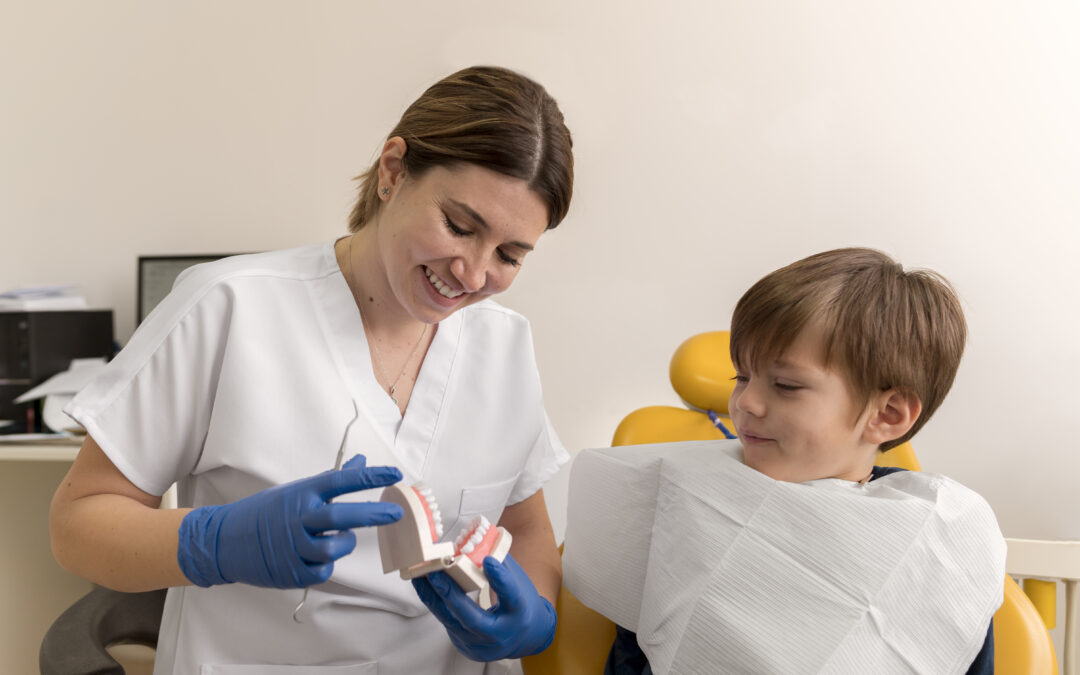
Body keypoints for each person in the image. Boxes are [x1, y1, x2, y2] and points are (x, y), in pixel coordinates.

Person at [49, 65, 573, 674]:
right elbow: (77, 523)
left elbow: (529, 533)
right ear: (393, 171)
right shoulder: (230, 306)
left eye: (510, 255)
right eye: (459, 226)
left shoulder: (503, 346)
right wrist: (213, 543)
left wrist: (531, 615)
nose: (475, 274)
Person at [563, 248, 1003, 674]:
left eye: (787, 386)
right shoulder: (684, 501)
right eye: (742, 376)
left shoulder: (936, 547)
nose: (746, 402)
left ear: (886, 415)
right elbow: (636, 653)